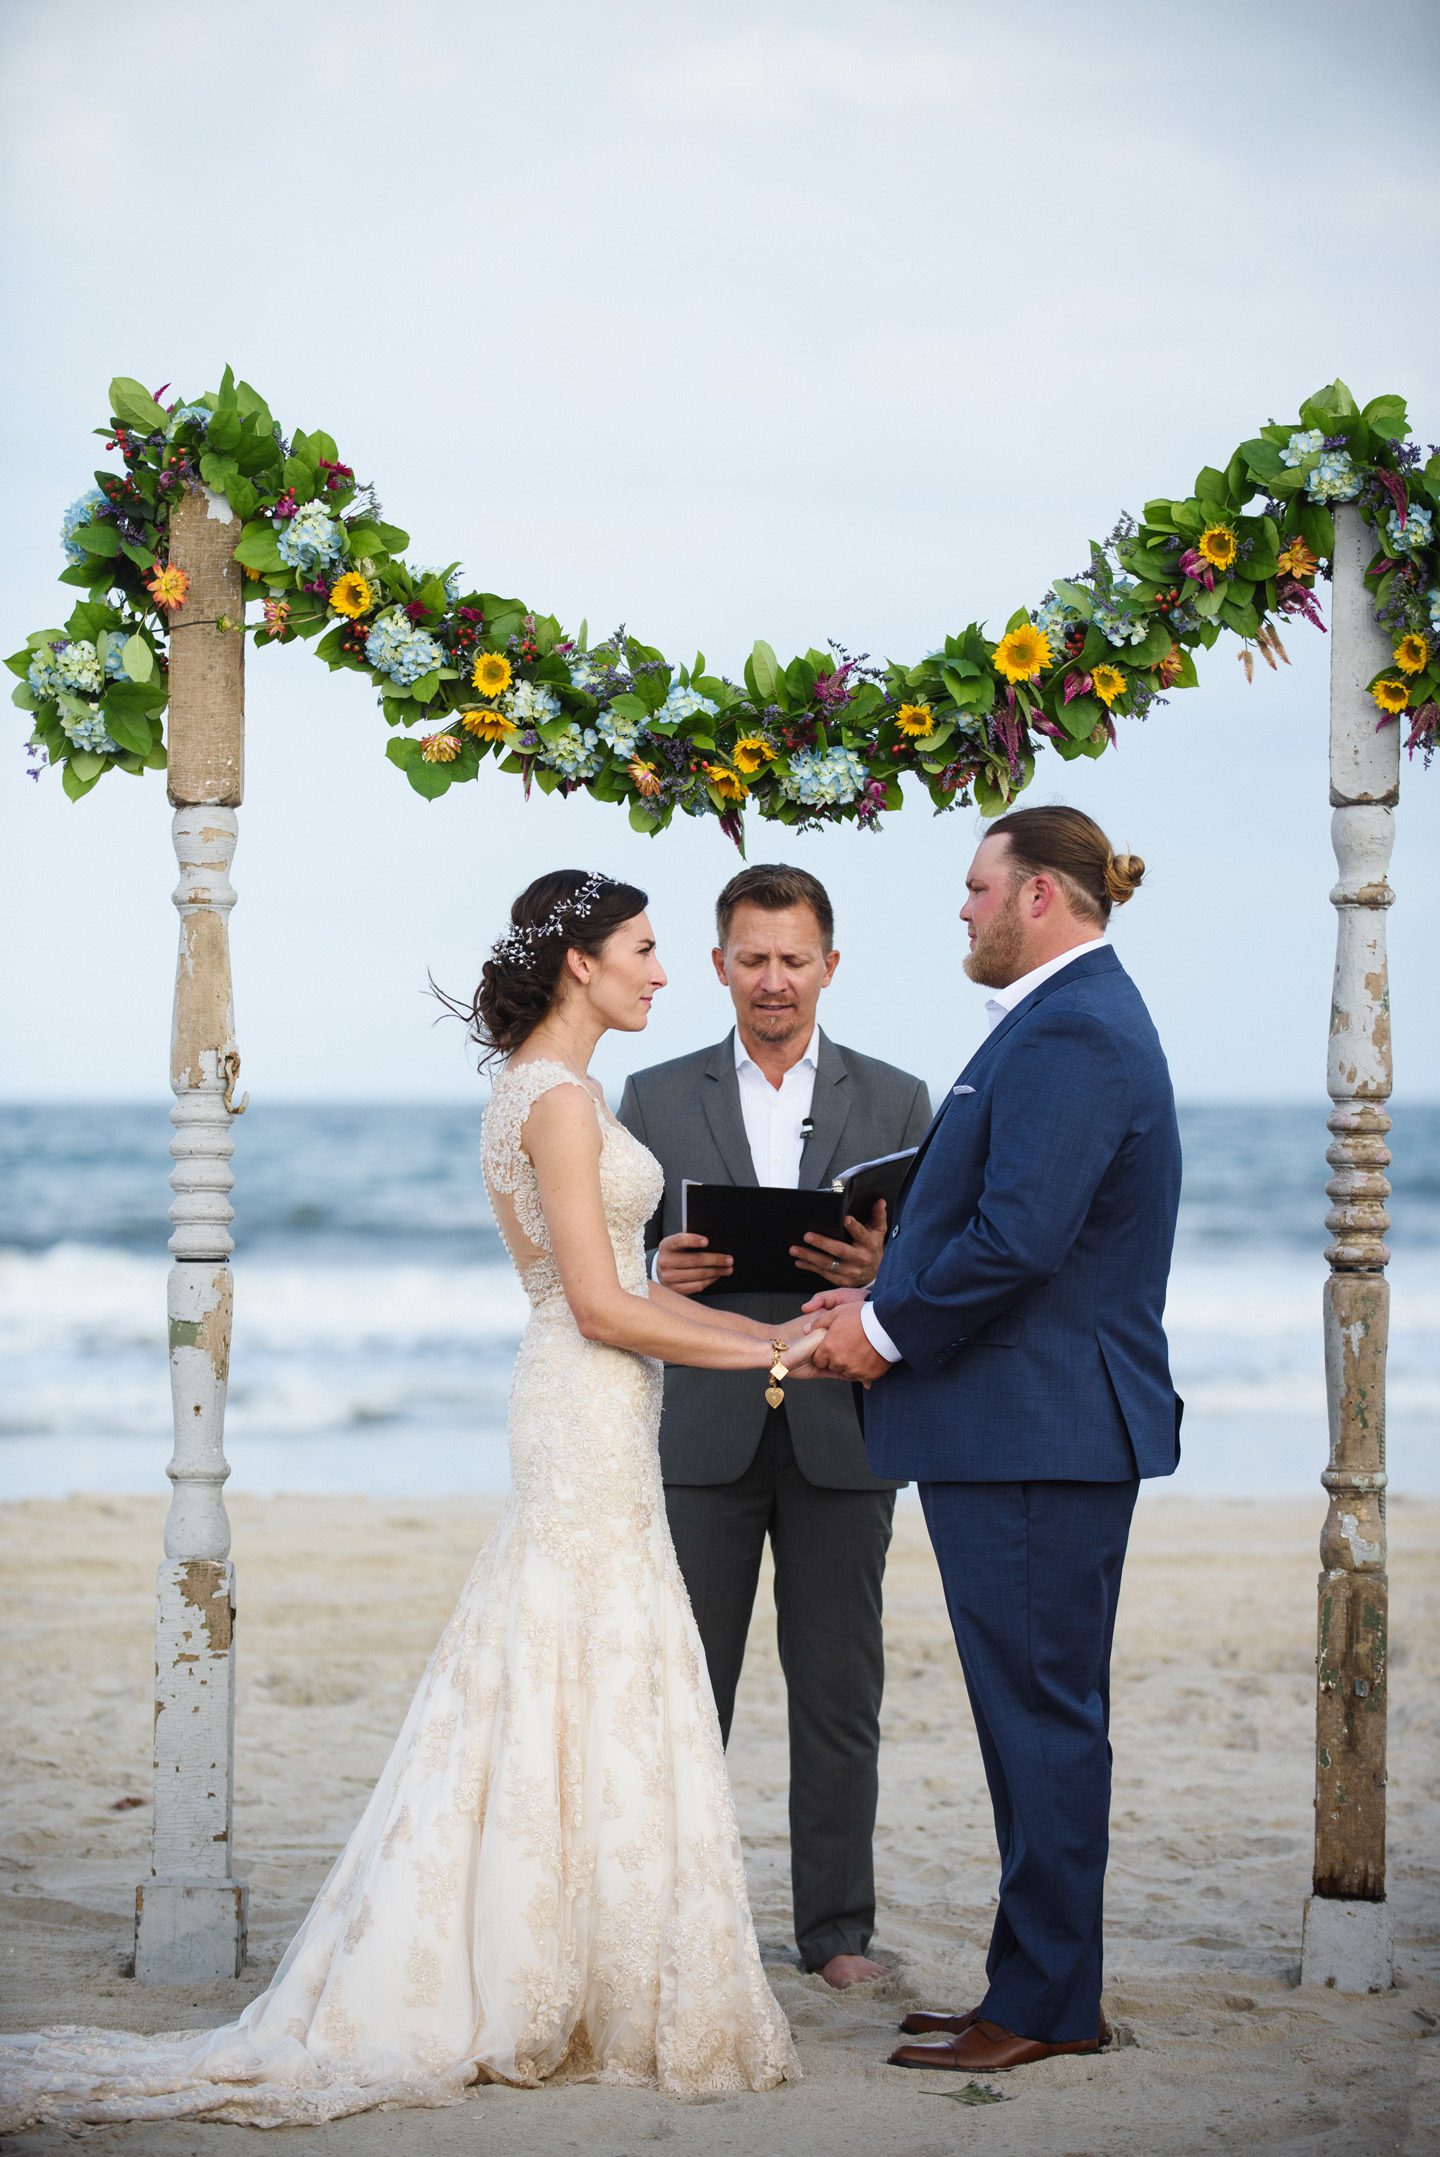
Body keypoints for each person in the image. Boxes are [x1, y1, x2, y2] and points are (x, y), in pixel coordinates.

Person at [0, 869, 830, 2132]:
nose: (666, 972)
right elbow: (598, 1309)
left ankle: (585, 1955)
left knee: (580, 1655)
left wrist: (754, 1326)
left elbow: (605, 1293)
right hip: (582, 1395)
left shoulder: (559, 1091)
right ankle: (550, 1969)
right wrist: (777, 1351)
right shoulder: (553, 1100)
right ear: (581, 966)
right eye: (649, 950)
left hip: (594, 1393)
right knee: (581, 1644)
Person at [803, 806, 1183, 2073]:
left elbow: (1020, 1240)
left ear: (1041, 897)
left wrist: (887, 1333)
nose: (961, 909)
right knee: (1029, 1719)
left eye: (977, 887)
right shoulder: (1057, 1020)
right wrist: (877, 1286)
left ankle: (1046, 2006)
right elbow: (1007, 1224)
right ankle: (1030, 1984)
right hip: (1023, 1428)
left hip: (1039, 1432)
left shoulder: (1072, 1029)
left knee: (1042, 1723)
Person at [617, 864, 931, 1989]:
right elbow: (610, 1267)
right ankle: (677, 1929)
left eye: (795, 959)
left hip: (845, 1431)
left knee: (840, 1695)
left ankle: (837, 1935)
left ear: (829, 967)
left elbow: (933, 1272)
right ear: (718, 966)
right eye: (752, 958)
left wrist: (885, 1267)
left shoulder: (898, 1099)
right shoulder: (651, 1096)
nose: (773, 980)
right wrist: (659, 1263)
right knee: (687, 1692)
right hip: (702, 1432)